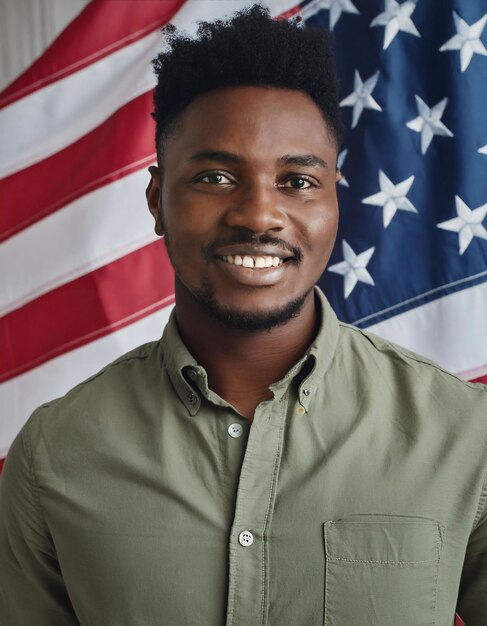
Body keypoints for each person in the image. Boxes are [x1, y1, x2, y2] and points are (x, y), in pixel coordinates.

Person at [0, 6, 485, 625]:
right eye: (216, 176)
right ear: (157, 202)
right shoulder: (55, 455)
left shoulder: (467, 435)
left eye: (297, 181)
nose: (258, 215)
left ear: (335, 198)